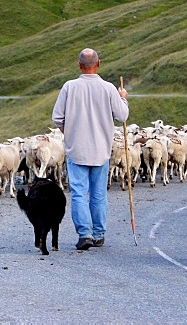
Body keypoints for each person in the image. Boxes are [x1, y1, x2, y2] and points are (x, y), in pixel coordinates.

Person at [51, 47, 129, 250]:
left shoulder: (69, 87)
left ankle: (84, 234)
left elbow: (58, 117)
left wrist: (70, 133)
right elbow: (122, 116)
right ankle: (99, 234)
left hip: (76, 149)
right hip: (101, 150)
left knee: (78, 192)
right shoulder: (109, 88)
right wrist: (123, 98)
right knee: (98, 193)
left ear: (79, 65)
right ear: (99, 64)